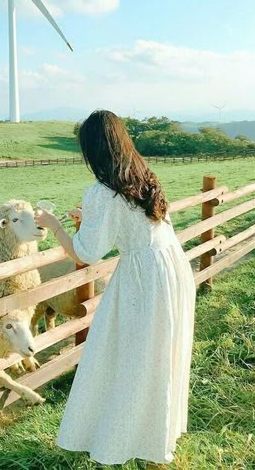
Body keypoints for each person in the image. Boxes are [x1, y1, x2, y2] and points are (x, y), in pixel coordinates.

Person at [34, 110, 196, 467]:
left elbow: (86, 253)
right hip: (171, 266)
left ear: (91, 150)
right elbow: (128, 225)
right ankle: (155, 437)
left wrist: (52, 225)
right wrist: (87, 221)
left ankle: (130, 441)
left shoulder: (101, 192)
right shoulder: (143, 177)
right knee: (160, 354)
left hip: (143, 278)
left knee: (132, 358)